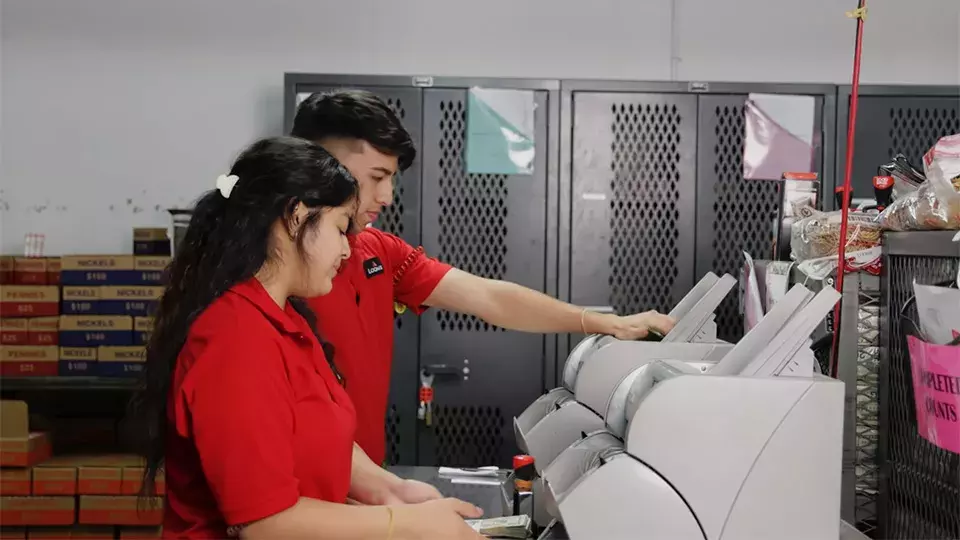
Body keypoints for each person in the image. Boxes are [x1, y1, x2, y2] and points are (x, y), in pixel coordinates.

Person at [291, 91, 678, 467]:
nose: (388, 195)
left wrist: (605, 323)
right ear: (319, 165)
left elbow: (488, 297)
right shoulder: (270, 272)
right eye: (376, 177)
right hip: (296, 487)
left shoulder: (377, 251)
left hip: (365, 477)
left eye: (392, 178)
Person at [128, 137, 484, 539]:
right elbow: (266, 524)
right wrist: (404, 525)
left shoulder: (288, 321)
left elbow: (315, 437)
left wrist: (392, 491)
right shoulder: (234, 340)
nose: (348, 250)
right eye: (339, 228)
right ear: (296, 217)